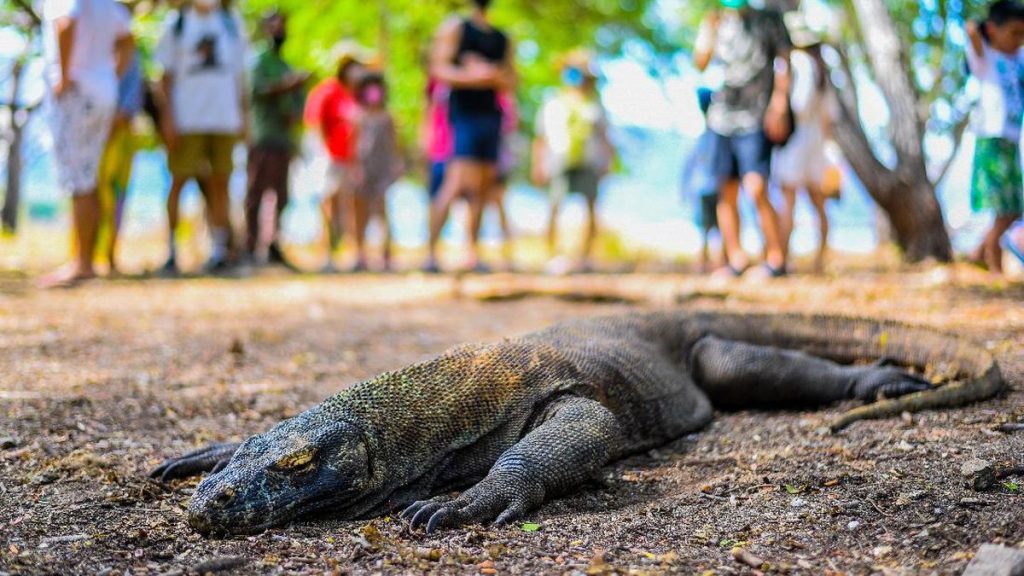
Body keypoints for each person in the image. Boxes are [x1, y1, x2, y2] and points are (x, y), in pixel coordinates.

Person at [694, 0, 793, 279]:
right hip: (721, 116)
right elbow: (700, 63)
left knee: (756, 186)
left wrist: (780, 103)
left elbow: (785, 63)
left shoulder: (769, 19)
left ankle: (776, 259)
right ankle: (736, 259)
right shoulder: (715, 21)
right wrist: (708, 32)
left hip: (756, 116)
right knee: (726, 188)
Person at [38, 0, 134, 288]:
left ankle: (82, 263)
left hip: (78, 91)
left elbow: (66, 23)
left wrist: (65, 77)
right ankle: (85, 260)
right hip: (101, 90)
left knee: (78, 180)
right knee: (88, 178)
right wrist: (108, 76)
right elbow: (128, 40)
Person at [155, 0, 247, 275]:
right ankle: (171, 251)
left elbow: (240, 76)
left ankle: (219, 251)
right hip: (188, 118)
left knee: (221, 182)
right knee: (179, 180)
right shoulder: (176, 24)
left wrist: (244, 117)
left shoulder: (231, 24)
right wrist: (168, 119)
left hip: (224, 118)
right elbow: (165, 77)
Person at [426, 0, 515, 273]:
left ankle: (471, 253)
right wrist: (475, 75)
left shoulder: (502, 37)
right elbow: (438, 69)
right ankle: (431, 254)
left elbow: (511, 80)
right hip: (464, 115)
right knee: (455, 183)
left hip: (491, 116)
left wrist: (490, 76)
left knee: (483, 187)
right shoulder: (456, 28)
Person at [533, 51, 613, 274]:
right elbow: (541, 138)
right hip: (559, 161)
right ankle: (552, 255)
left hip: (589, 161)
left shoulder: (595, 105)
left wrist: (607, 161)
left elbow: (605, 136)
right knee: (554, 207)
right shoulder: (554, 102)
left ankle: (585, 257)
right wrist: (538, 164)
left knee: (591, 209)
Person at [244, 11, 307, 270]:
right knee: (256, 192)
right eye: (274, 26)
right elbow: (258, 90)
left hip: (282, 138)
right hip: (262, 135)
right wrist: (287, 85)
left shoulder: (285, 65)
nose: (279, 31)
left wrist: (294, 100)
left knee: (281, 193)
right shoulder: (259, 61)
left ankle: (273, 244)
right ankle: (250, 247)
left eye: (282, 26)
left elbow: (296, 104)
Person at [773, 14, 835, 275]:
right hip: (816, 143)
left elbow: (799, 105)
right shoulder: (822, 68)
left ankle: (781, 260)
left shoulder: (798, 64)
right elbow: (829, 116)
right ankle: (820, 260)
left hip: (797, 140)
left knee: (788, 200)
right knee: (818, 203)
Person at [966, 0, 1024, 276]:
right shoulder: (987, 58)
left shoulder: (1018, 59)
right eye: (1013, 33)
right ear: (994, 31)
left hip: (1011, 141)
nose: (1018, 40)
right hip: (991, 140)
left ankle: (978, 252)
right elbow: (971, 32)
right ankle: (993, 264)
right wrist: (980, 29)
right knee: (1003, 207)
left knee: (1013, 207)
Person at [305, 48, 366, 272]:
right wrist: (325, 152)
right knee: (328, 203)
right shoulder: (327, 91)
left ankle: (353, 253)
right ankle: (326, 254)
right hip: (330, 158)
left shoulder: (354, 94)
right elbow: (315, 123)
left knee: (349, 204)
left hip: (349, 159)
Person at [96, 40, 144, 277]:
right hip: (94, 132)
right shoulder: (91, 46)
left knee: (117, 194)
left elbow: (133, 96)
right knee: (93, 192)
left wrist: (119, 118)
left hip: (122, 134)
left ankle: (110, 253)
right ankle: (87, 253)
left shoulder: (132, 53)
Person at [351, 72, 402, 272]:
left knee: (382, 210)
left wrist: (396, 164)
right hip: (364, 168)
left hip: (383, 168)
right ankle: (360, 254)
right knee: (360, 211)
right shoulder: (359, 116)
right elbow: (355, 145)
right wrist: (356, 167)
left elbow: (394, 144)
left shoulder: (387, 117)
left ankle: (387, 254)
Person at [681, 88, 724, 274]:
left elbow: (688, 167)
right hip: (706, 185)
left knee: (713, 228)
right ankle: (709, 262)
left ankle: (714, 262)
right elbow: (689, 166)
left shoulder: (707, 135)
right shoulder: (705, 135)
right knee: (709, 228)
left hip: (709, 185)